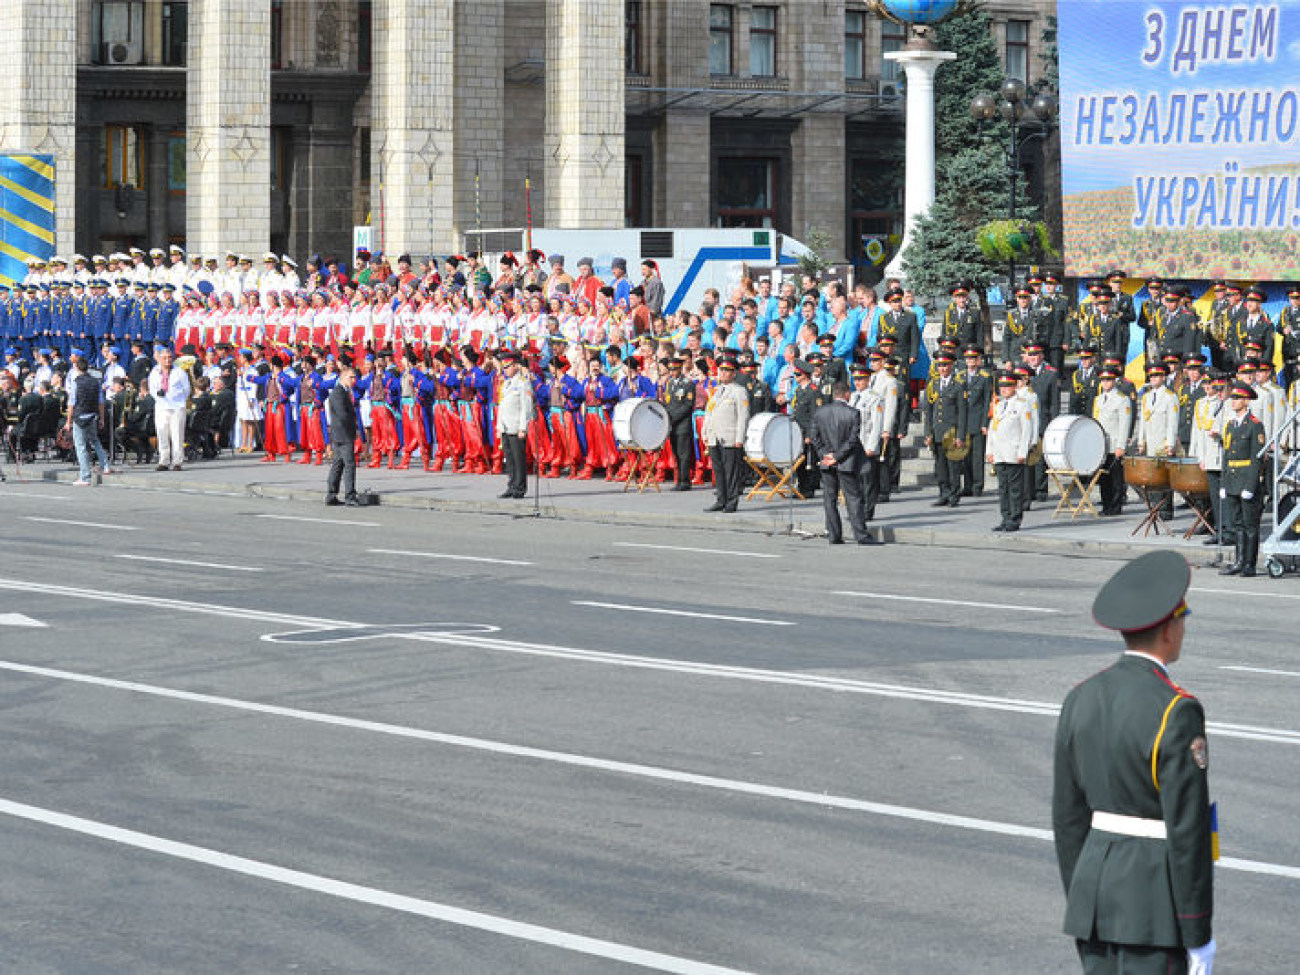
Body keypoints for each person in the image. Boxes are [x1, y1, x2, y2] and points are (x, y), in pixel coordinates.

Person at [1053, 549, 1214, 975]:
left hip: (1093, 899)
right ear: (1168, 630)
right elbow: (1188, 830)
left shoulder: (1080, 697)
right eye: (1182, 620)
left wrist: (1083, 894)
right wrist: (1198, 932)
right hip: (1152, 910)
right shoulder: (1178, 710)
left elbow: (1068, 819)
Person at [813, 380, 878, 545]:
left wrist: (825, 454)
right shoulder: (853, 413)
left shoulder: (820, 412)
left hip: (827, 461)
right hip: (846, 462)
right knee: (853, 499)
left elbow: (814, 436)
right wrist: (838, 456)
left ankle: (834, 535)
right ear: (847, 394)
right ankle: (861, 535)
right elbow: (852, 440)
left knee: (829, 499)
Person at [1219, 381, 1267, 577]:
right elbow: (1226, 455)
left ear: (1246, 401)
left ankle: (1250, 564)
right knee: (1237, 523)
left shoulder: (1255, 425)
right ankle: (1239, 561)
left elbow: (1257, 458)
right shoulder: (1230, 425)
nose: (1233, 401)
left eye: (1237, 398)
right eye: (1233, 397)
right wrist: (1223, 482)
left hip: (1247, 479)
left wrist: (1251, 485)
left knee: (1250, 524)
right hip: (1232, 478)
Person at [985, 372, 1034, 532]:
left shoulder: (1022, 404)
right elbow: (992, 429)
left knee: (1014, 489)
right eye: (1002, 386)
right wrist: (989, 450)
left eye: (1008, 386)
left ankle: (1015, 518)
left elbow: (1026, 430)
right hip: (999, 452)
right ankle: (1005, 517)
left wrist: (1023, 452)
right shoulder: (998, 405)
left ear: (1014, 387)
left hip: (1013, 452)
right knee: (1003, 488)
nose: (1004, 389)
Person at [701, 356, 749, 513]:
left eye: (727, 370)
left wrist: (739, 439)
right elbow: (710, 412)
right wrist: (706, 431)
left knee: (731, 472)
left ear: (734, 373)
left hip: (730, 436)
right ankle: (721, 499)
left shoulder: (739, 391)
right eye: (721, 370)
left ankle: (731, 501)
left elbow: (743, 416)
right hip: (715, 436)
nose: (723, 373)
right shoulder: (717, 390)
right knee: (719, 470)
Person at [922, 351, 968, 507]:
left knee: (953, 466)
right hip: (937, 432)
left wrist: (960, 435)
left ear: (952, 365)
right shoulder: (933, 385)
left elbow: (962, 413)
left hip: (952, 433)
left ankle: (954, 495)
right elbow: (928, 411)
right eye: (940, 365)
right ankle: (943, 493)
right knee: (940, 466)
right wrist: (928, 432)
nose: (942, 368)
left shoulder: (958, 386)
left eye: (945, 365)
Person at [64, 353, 113, 485]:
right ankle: (105, 465)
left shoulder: (76, 383)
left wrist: (68, 422)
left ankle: (85, 476)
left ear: (77, 368)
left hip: (79, 416)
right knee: (95, 440)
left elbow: (71, 403)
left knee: (81, 447)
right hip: (92, 415)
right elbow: (101, 402)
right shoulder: (95, 382)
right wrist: (102, 418)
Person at [1092, 368, 1133, 517]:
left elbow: (1124, 424)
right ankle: (1106, 504)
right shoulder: (1099, 399)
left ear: (1114, 380)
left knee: (1116, 478)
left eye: (1108, 380)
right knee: (1103, 478)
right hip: (1102, 444)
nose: (1105, 383)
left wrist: (1121, 445)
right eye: (1103, 380)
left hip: (1115, 443)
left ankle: (1115, 506)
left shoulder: (1122, 399)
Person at [495, 350, 534, 499]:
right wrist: (499, 427)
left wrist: (523, 427)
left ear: (516, 366)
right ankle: (511, 485)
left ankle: (520, 487)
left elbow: (526, 407)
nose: (505, 370)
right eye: (504, 367)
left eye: (508, 366)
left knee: (519, 459)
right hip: (506, 426)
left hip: (517, 426)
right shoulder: (506, 384)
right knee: (509, 459)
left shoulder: (523, 383)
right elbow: (502, 406)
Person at [148, 345, 191, 471]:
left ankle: (177, 461)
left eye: (170, 357)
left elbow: (186, 389)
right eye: (165, 358)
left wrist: (177, 398)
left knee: (177, 434)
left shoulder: (179, 372)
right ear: (159, 359)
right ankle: (164, 460)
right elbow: (152, 389)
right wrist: (159, 395)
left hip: (176, 406)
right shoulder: (155, 372)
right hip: (162, 406)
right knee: (162, 433)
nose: (167, 360)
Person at [325, 366, 360, 506]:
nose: (353, 380)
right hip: (343, 433)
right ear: (343, 377)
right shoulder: (338, 392)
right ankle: (350, 496)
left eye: (354, 377)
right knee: (349, 464)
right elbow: (343, 415)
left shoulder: (343, 392)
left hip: (340, 433)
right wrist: (353, 429)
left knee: (338, 464)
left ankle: (331, 495)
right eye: (351, 377)